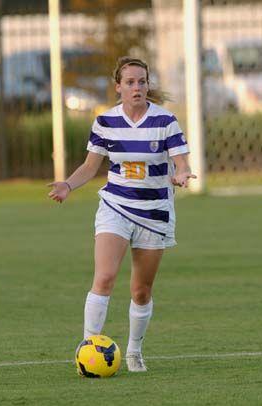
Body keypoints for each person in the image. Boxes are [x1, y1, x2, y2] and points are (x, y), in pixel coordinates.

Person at [48, 57, 196, 372]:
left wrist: (182, 175)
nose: (137, 87)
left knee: (141, 290)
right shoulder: (105, 122)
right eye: (130, 82)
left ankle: (134, 351)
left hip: (153, 213)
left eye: (142, 81)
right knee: (104, 277)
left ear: (147, 85)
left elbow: (182, 161)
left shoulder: (165, 121)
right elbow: (90, 166)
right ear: (119, 87)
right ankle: (88, 350)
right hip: (115, 207)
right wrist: (67, 185)